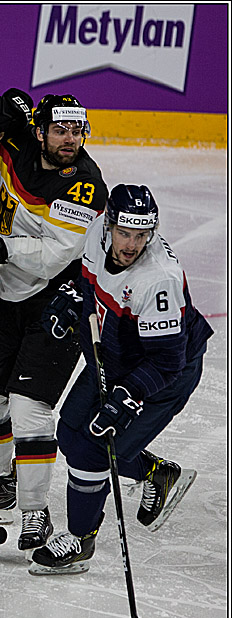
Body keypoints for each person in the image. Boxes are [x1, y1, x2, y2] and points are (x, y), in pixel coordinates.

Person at [0, 90, 108, 552]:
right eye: (60, 130)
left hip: (61, 300)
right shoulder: (16, 142)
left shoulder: (85, 184)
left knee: (29, 407)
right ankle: (1, 485)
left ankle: (37, 513)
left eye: (77, 131)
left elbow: (56, 256)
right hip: (15, 292)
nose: (70, 139)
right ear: (39, 130)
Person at [29, 184, 210, 574]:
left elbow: (167, 361)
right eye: (125, 233)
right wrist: (74, 298)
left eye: (141, 235)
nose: (131, 244)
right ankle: (156, 473)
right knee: (70, 433)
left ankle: (80, 540)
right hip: (115, 352)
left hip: (164, 373)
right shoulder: (97, 231)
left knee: (95, 449)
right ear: (109, 225)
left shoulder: (156, 278)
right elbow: (89, 279)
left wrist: (128, 396)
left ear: (151, 232)